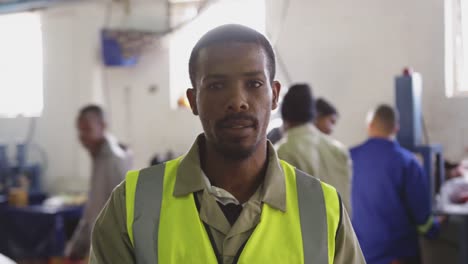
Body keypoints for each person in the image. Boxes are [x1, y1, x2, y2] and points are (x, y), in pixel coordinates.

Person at [90, 24, 364, 263]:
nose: (237, 101)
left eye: (254, 83)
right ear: (193, 100)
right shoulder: (133, 205)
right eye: (217, 86)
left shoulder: (322, 208)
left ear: (274, 95)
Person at [351, 104, 441, 264]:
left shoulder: (348, 158)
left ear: (370, 125)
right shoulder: (407, 162)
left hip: (359, 253)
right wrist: (435, 227)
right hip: (397, 255)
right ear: (396, 128)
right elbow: (423, 219)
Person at [65, 105, 131, 260]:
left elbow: (121, 214)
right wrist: (77, 246)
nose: (82, 136)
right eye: (79, 130)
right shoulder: (99, 156)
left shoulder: (114, 160)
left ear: (103, 126)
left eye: (86, 129)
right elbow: (92, 211)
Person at [276, 84, 353, 211]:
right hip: (341, 228)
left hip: (304, 230)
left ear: (285, 117)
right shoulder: (339, 150)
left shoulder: (282, 152)